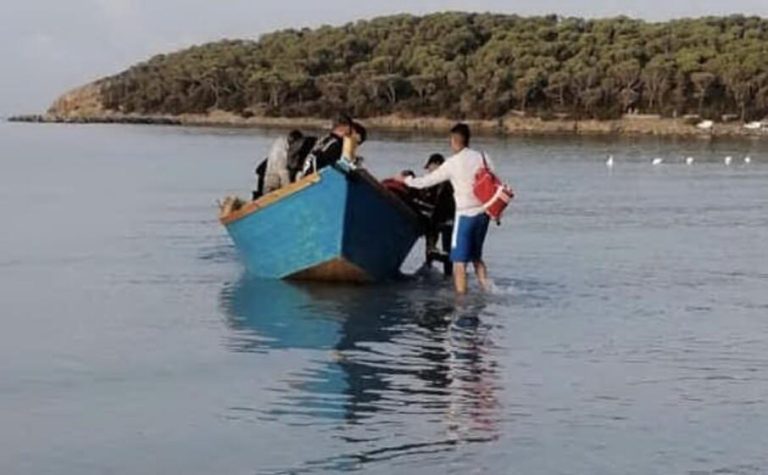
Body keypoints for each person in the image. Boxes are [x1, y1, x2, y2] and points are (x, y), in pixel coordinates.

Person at [404, 123, 493, 294]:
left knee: (459, 262)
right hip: (484, 214)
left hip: (465, 215)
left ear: (453, 141)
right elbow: (494, 181)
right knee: (476, 258)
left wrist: (407, 180)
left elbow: (426, 182)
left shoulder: (452, 163)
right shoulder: (483, 157)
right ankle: (487, 290)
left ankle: (461, 300)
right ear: (468, 139)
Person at [419, 154, 456, 277]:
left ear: (436, 165)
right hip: (447, 220)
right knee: (446, 251)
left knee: (433, 249)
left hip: (442, 220)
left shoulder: (443, 182)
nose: (429, 171)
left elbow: (433, 202)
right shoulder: (448, 180)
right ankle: (446, 275)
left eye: (430, 167)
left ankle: (431, 269)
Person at [263, 130, 304, 194]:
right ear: (296, 142)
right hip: (273, 184)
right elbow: (283, 172)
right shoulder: (281, 151)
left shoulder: (282, 143)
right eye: (299, 144)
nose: (300, 148)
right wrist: (289, 191)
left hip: (271, 180)